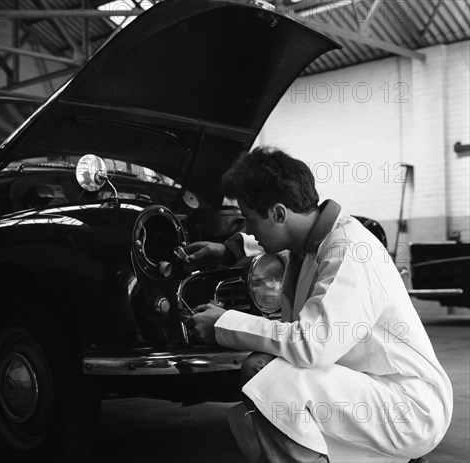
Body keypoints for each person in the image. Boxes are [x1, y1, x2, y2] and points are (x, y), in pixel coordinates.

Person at [183, 147, 452, 463]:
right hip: (367, 386)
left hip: (408, 407)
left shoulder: (349, 251)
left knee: (266, 373)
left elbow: (313, 345)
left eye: (249, 218)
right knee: (267, 397)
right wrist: (229, 249)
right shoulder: (311, 241)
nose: (248, 228)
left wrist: (223, 323)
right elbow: (272, 241)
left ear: (280, 213)